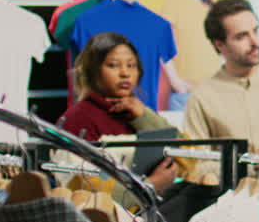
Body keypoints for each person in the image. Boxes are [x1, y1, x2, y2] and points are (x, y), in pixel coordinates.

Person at [58, 31, 182, 195]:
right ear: (93, 71)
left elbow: (185, 154)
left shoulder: (137, 111)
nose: (125, 73)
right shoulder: (78, 119)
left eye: (131, 65)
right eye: (113, 65)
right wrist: (149, 185)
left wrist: (143, 116)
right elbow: (85, 191)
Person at [183, 0, 259, 159]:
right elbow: (196, 166)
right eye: (241, 36)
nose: (255, 42)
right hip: (236, 184)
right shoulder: (202, 99)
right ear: (219, 44)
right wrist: (255, 161)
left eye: (255, 31)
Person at [161, 0, 223, 107]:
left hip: (215, 91)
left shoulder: (212, 6)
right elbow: (161, 43)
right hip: (185, 93)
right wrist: (175, 82)